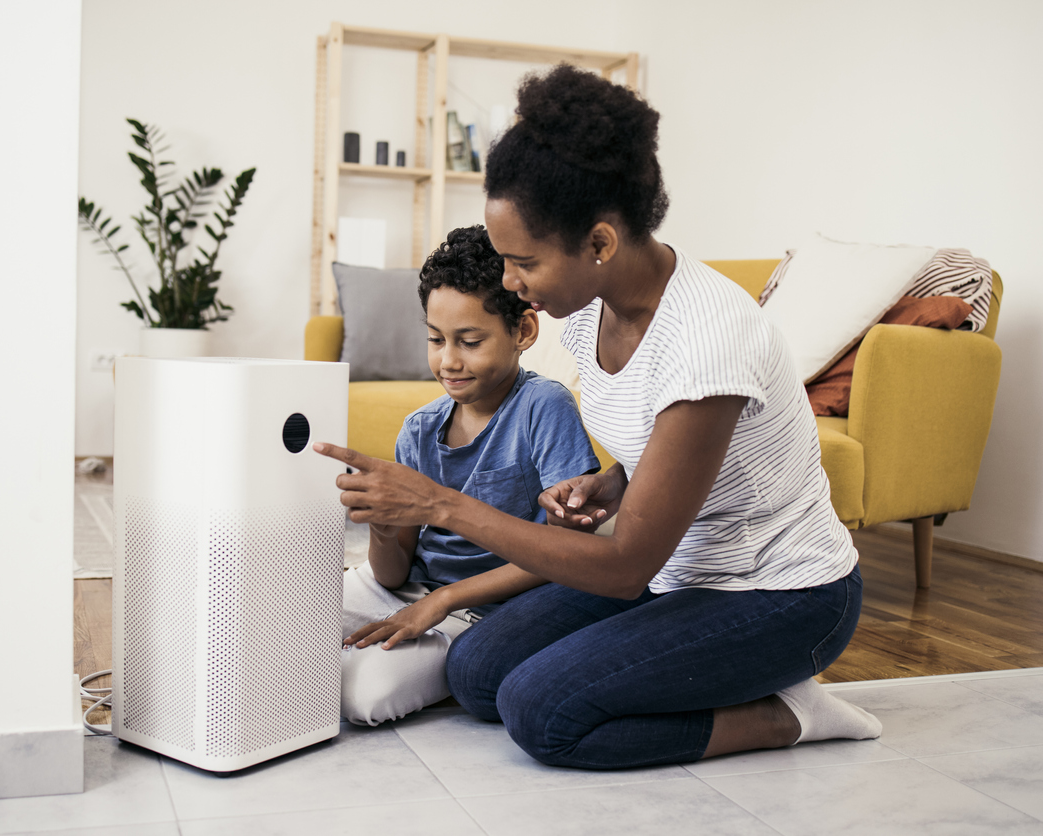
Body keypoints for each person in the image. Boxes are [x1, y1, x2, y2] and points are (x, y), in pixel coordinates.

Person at [317, 64, 881, 768]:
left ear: (600, 243)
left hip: (779, 595)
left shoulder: (707, 340)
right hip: (677, 574)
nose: (509, 283)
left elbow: (621, 566)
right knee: (476, 673)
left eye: (521, 261)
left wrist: (438, 503)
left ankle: (786, 713)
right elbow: (675, 448)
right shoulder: (588, 311)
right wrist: (612, 482)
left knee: (542, 714)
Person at [339, 224, 601, 727]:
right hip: (410, 589)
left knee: (363, 697)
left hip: (486, 606)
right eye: (436, 339)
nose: (449, 361)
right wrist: (381, 526)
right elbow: (394, 574)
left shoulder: (542, 407)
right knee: (280, 613)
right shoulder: (418, 429)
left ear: (523, 331)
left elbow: (567, 557)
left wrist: (443, 600)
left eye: (470, 340)